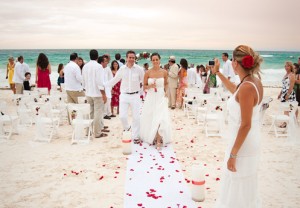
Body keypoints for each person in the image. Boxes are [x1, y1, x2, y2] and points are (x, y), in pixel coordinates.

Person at [212, 45, 263, 208]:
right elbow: (236, 91)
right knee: (242, 188)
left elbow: (246, 124)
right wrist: (218, 73)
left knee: (237, 188)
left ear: (235, 63)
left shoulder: (247, 86)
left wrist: (233, 155)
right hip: (245, 141)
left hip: (242, 145)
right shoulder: (251, 82)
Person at [106, 50, 144, 143]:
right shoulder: (122, 69)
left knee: (136, 117)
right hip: (124, 96)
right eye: (130, 57)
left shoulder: (139, 69)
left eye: (133, 58)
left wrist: (141, 93)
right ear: (126, 58)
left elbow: (143, 81)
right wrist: (105, 85)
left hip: (135, 95)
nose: (131, 59)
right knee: (122, 116)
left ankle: (135, 136)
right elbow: (115, 79)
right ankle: (127, 128)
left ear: (135, 58)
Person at [140, 53, 171, 150]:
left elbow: (166, 84)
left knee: (160, 117)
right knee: (151, 116)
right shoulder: (148, 72)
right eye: (153, 60)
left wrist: (166, 92)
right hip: (151, 96)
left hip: (160, 96)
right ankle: (153, 135)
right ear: (151, 61)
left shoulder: (164, 72)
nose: (155, 61)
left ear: (160, 60)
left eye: (157, 59)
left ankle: (158, 139)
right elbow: (144, 86)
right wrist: (150, 86)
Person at [82, 49, 108, 138]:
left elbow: (83, 80)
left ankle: (88, 131)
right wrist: (104, 94)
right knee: (98, 113)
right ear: (97, 56)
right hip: (97, 93)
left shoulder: (85, 66)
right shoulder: (98, 66)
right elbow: (100, 82)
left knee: (90, 113)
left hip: (88, 92)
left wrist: (86, 89)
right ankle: (97, 133)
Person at [98, 55, 114, 120]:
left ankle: (109, 113)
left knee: (109, 100)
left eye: (107, 61)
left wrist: (111, 86)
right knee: (104, 101)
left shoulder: (107, 68)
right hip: (102, 87)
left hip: (108, 86)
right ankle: (104, 114)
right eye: (105, 61)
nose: (106, 62)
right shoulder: (99, 68)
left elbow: (110, 77)